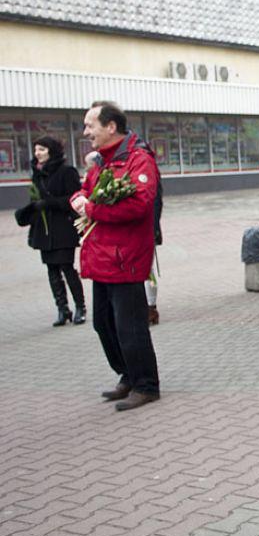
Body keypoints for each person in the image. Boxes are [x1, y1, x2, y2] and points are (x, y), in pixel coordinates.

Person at [71, 100, 162, 412]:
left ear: (111, 126)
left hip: (125, 259)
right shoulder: (102, 162)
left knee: (131, 327)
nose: (86, 132)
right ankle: (127, 374)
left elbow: (139, 204)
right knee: (104, 325)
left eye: (90, 125)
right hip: (101, 258)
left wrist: (92, 208)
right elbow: (84, 189)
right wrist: (79, 200)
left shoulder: (138, 159)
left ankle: (146, 384)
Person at [15, 136, 86, 326]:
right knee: (52, 270)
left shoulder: (66, 172)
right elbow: (34, 198)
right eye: (36, 150)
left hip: (63, 228)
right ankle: (62, 309)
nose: (37, 153)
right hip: (44, 230)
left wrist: (49, 203)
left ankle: (80, 307)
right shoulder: (37, 174)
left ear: (51, 151)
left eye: (42, 150)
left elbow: (75, 198)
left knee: (66, 267)